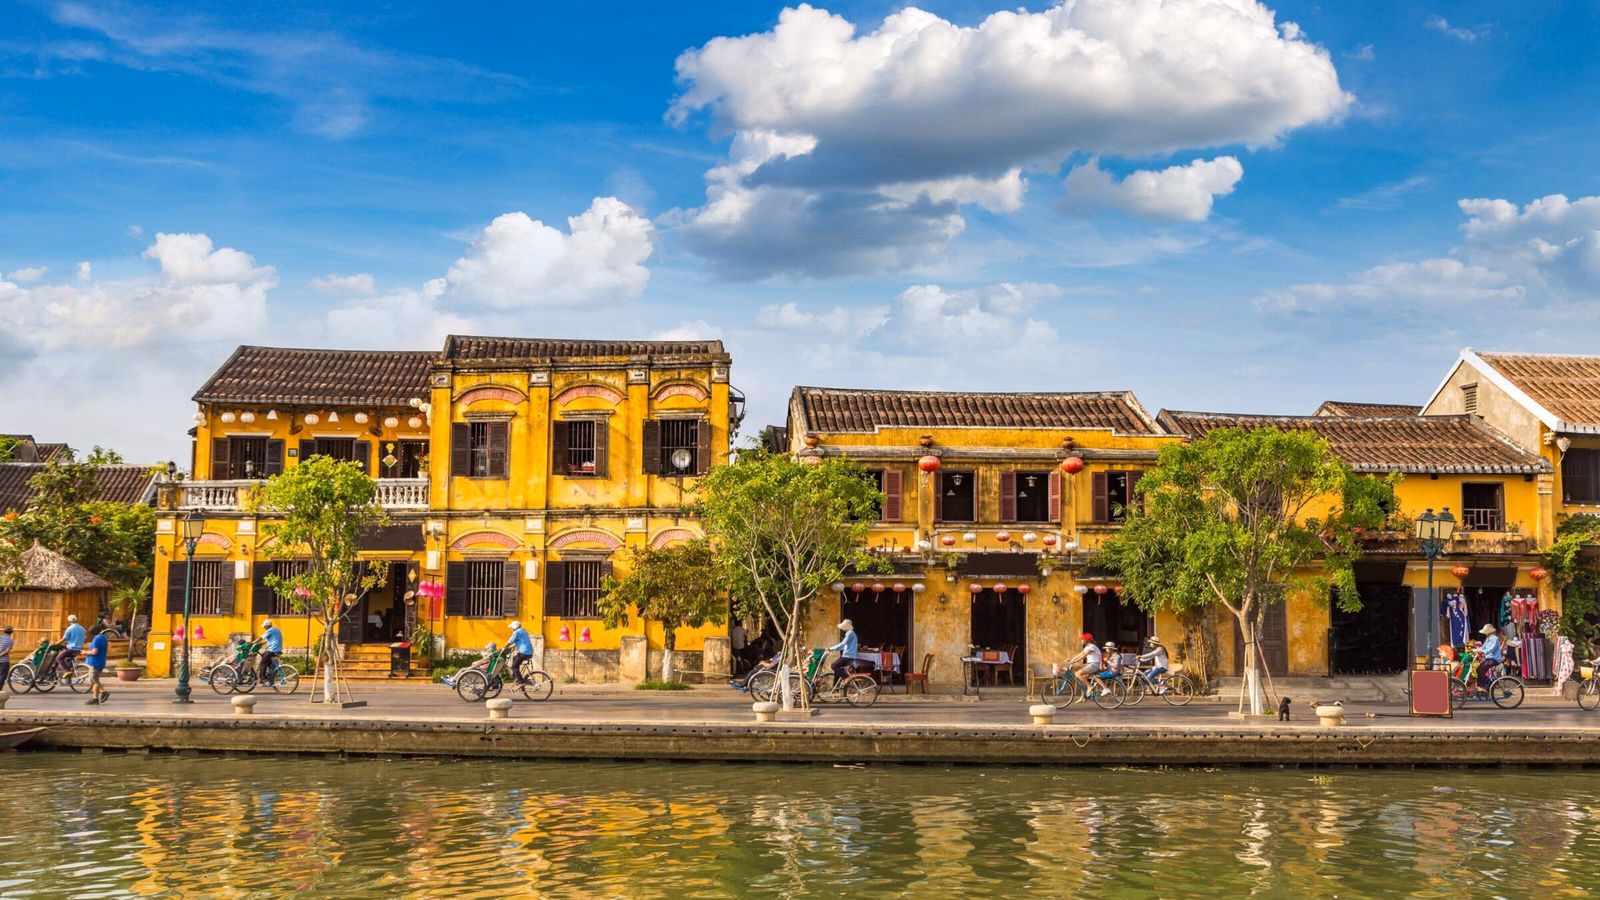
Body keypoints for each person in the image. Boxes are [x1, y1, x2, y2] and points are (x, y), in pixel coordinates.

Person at [1064, 633, 1103, 697]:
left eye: (1083, 639)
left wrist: (1075, 661)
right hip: (1090, 664)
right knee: (1084, 680)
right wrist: (1072, 659)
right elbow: (1081, 653)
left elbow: (1084, 655)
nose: (1082, 641)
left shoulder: (1092, 646)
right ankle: (1083, 697)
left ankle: (1090, 686)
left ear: (1087, 640)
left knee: (1077, 674)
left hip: (1094, 665)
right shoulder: (1087, 647)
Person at [826, 619, 858, 687]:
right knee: (838, 669)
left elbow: (842, 644)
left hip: (848, 656)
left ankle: (846, 677)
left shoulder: (850, 634)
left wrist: (830, 648)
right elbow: (843, 647)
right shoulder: (850, 633)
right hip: (848, 655)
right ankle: (836, 687)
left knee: (833, 666)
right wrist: (832, 649)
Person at [84, 626, 110, 704]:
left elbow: (94, 652)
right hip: (100, 661)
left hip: (95, 662)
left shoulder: (96, 639)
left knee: (94, 681)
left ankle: (95, 699)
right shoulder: (103, 637)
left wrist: (85, 652)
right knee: (94, 679)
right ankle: (103, 692)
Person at [508, 621, 535, 685]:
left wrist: (503, 647)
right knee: (515, 658)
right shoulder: (524, 631)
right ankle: (517, 678)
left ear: (514, 627)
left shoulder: (517, 632)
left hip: (523, 652)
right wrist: (513, 646)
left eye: (512, 627)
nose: (512, 629)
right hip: (528, 652)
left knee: (514, 667)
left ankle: (521, 682)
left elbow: (510, 641)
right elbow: (522, 641)